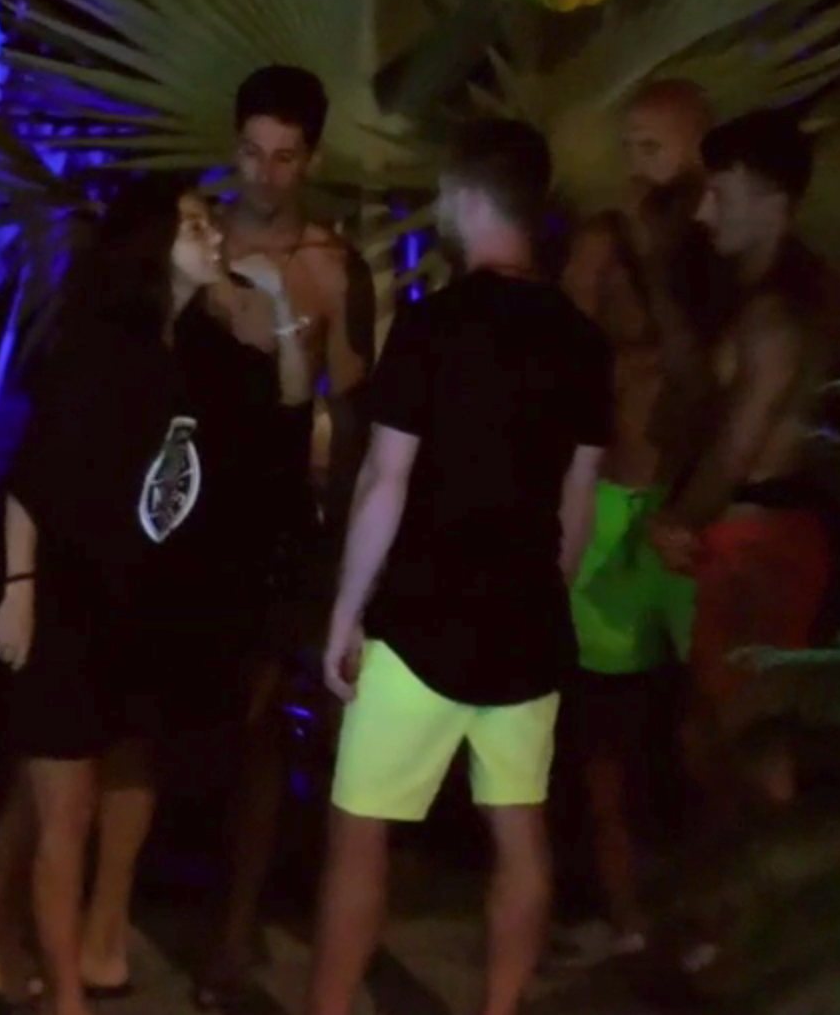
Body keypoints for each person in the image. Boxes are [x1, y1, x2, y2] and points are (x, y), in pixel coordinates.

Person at [0, 181, 313, 1015]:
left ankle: (89, 949)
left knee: (127, 777)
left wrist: (278, 310)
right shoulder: (97, 350)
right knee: (60, 808)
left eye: (209, 224)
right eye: (193, 227)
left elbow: (285, 420)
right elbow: (31, 479)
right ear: (152, 248)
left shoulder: (200, 351)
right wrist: (19, 593)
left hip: (145, 611)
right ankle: (58, 991)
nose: (213, 236)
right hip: (71, 604)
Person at [306, 119, 613, 1015]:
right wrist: (548, 590)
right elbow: (580, 496)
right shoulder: (581, 340)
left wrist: (345, 612)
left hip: (421, 617)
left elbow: (386, 480)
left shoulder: (434, 324)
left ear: (469, 200)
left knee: (361, 833)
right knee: (519, 833)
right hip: (525, 623)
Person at [197, 65, 378, 1010]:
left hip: (277, 520)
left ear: (309, 159)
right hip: (188, 508)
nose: (265, 174)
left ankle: (238, 934)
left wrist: (346, 548)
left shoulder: (333, 267)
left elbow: (354, 413)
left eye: (285, 157)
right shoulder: (196, 242)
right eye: (253, 153)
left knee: (265, 725)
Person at [547, 80, 716, 965]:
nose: (637, 163)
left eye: (654, 146)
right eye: (630, 146)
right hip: (614, 500)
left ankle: (711, 912)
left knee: (699, 727)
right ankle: (626, 916)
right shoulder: (605, 243)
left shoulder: (720, 249)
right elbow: (558, 351)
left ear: (699, 148)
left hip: (691, 509)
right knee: (603, 730)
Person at [648, 109, 840, 814]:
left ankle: (773, 869)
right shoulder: (779, 301)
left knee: (746, 732)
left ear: (771, 202)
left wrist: (679, 517)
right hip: (750, 532)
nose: (705, 213)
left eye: (720, 194)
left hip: (760, 540)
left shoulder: (776, 319)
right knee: (714, 730)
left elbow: (740, 440)